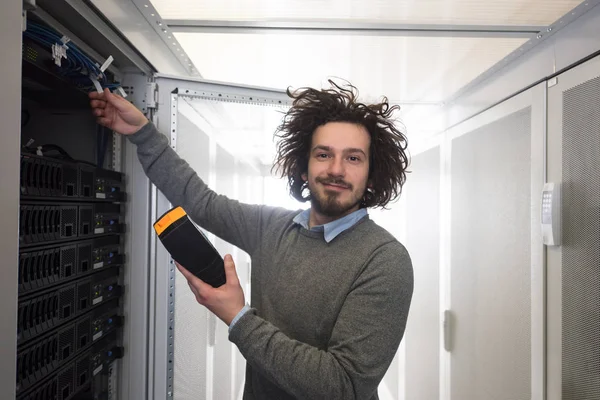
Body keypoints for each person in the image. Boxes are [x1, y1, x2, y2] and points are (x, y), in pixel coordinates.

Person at [89, 81, 414, 400]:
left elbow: (343, 386)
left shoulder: (384, 260)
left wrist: (238, 317)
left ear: (371, 175)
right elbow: (203, 202)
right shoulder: (272, 226)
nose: (336, 169)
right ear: (304, 167)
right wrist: (143, 133)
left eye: (353, 158)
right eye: (323, 154)